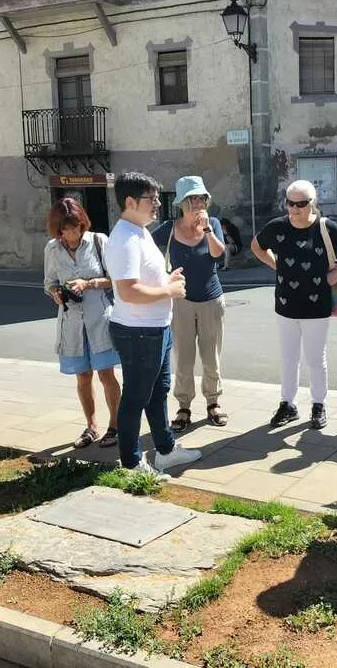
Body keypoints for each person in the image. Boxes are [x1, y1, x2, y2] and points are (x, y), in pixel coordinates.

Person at [104, 172, 203, 477]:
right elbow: (128, 291)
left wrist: (165, 280)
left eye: (159, 198)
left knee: (158, 392)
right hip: (139, 332)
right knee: (136, 397)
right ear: (130, 202)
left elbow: (142, 279)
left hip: (155, 328)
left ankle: (165, 451)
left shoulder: (140, 231)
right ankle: (132, 464)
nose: (158, 204)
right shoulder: (124, 239)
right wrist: (169, 291)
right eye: (152, 199)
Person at [251, 180, 337, 430]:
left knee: (315, 358)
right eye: (290, 203)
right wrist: (276, 265)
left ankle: (318, 404)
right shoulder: (277, 227)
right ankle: (288, 404)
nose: (294, 209)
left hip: (317, 305)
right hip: (285, 303)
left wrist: (336, 274)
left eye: (301, 204)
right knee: (288, 358)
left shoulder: (324, 227)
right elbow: (256, 246)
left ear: (312, 203)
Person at [43, 198, 121, 449]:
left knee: (106, 374)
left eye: (74, 228)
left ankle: (115, 426)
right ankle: (91, 426)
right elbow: (49, 282)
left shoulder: (99, 241)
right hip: (72, 324)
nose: (71, 235)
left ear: (82, 224)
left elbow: (115, 279)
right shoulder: (52, 249)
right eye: (65, 230)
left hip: (99, 319)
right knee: (83, 376)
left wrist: (88, 284)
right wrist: (56, 293)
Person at [152, 176, 228, 431]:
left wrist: (207, 230)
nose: (198, 203)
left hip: (211, 300)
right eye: (192, 198)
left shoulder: (212, 224)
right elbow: (145, 248)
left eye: (201, 198)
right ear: (181, 203)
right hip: (181, 302)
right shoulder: (169, 228)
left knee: (211, 357)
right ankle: (184, 405)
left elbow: (218, 254)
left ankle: (213, 402)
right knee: (183, 357)